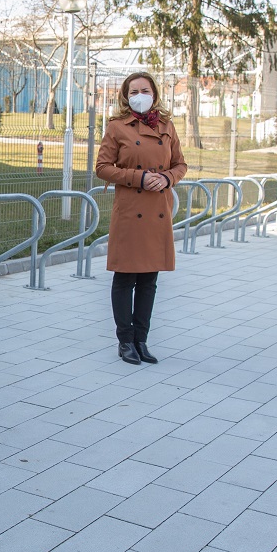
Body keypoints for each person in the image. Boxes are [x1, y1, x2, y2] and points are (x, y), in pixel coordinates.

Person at [93, 71, 188, 365]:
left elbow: (180, 164)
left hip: (157, 211)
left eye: (144, 90)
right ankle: (125, 341)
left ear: (155, 94)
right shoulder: (117, 127)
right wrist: (140, 177)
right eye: (133, 91)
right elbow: (103, 167)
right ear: (125, 96)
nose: (139, 96)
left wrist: (168, 178)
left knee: (149, 280)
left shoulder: (166, 126)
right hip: (130, 210)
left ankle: (141, 340)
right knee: (125, 278)